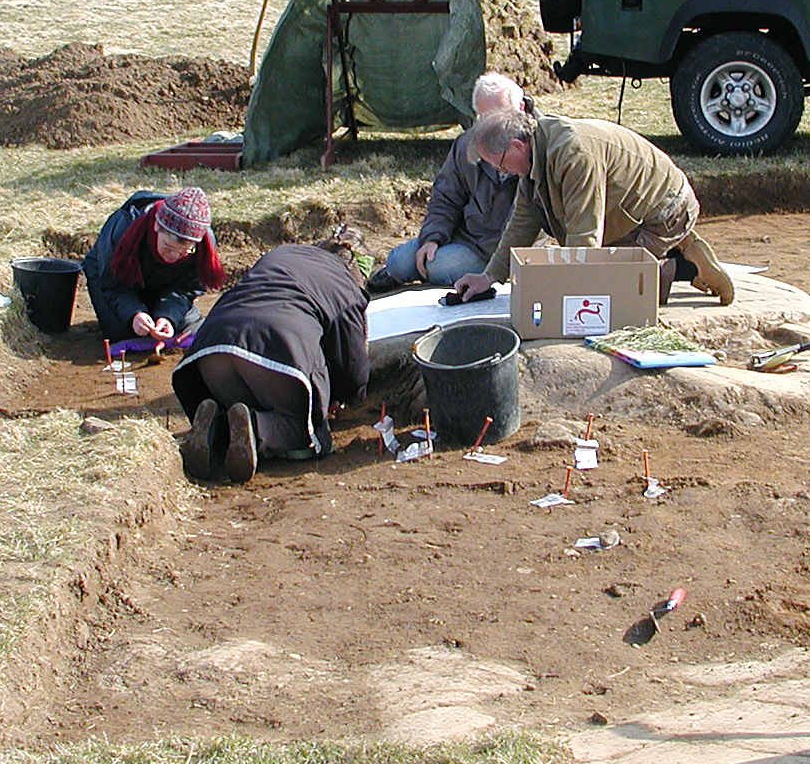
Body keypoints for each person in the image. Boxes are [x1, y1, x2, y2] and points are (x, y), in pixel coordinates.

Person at [451, 110, 735, 306]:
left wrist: (570, 294)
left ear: (515, 146)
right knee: (595, 279)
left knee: (608, 291)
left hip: (666, 211)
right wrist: (489, 277)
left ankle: (686, 265)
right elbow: (523, 220)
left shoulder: (573, 154)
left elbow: (584, 231)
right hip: (634, 213)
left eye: (500, 164)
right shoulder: (535, 153)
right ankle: (676, 247)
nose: (503, 172)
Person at [172, 229, 369, 483]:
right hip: (276, 349)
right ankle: (256, 428)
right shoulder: (345, 285)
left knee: (242, 408)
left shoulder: (282, 253)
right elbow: (353, 368)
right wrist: (344, 397)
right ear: (357, 269)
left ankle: (216, 427)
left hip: (212, 348)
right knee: (303, 431)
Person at [365, 71, 531, 292]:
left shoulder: (531, 149)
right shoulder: (468, 144)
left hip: (496, 249)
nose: (491, 126)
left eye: (499, 115)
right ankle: (402, 271)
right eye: (484, 118)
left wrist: (496, 266)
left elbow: (528, 222)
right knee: (399, 261)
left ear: (519, 108)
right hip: (463, 233)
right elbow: (446, 196)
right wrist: (433, 237)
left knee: (438, 266)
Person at [82, 187, 223, 342]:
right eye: (167, 247)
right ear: (156, 227)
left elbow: (186, 289)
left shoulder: (203, 246)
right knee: (123, 333)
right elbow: (113, 285)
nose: (174, 256)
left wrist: (168, 316)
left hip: (164, 284)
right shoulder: (123, 229)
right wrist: (134, 313)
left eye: (184, 251)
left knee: (183, 328)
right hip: (112, 278)